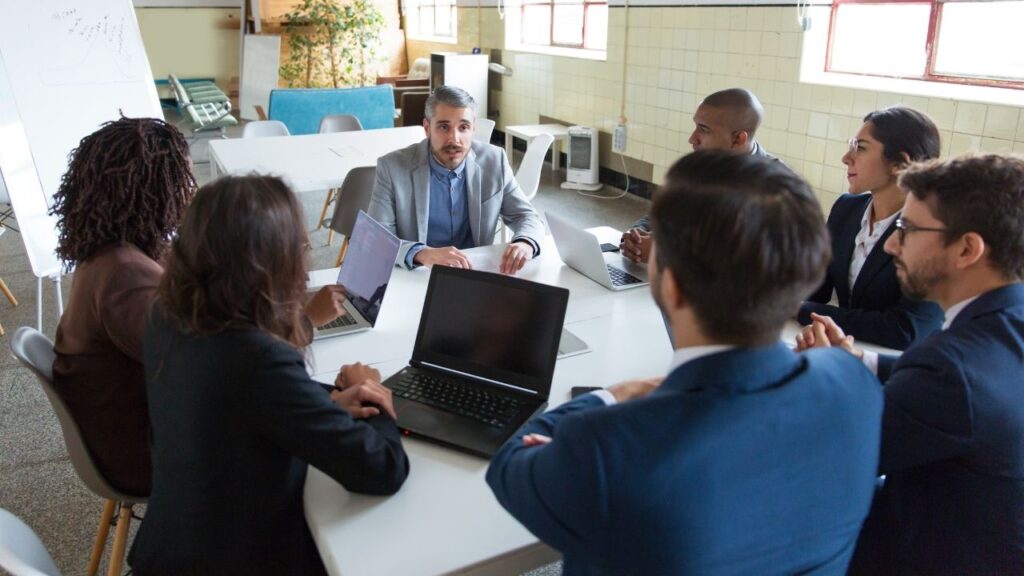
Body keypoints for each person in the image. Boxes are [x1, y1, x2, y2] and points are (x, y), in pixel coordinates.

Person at [487, 151, 883, 575]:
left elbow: (509, 468)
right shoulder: (853, 382)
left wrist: (611, 396)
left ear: (671, 286)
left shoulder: (606, 442)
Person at [129, 176, 409, 575]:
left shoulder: (169, 313)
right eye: (299, 245)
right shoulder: (258, 358)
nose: (305, 253)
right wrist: (374, 394)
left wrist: (324, 402)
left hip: (171, 547)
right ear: (267, 262)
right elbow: (382, 469)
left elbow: (242, 402)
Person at [797, 153, 1024, 575]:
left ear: (967, 249)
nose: (890, 244)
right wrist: (859, 360)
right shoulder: (1006, 319)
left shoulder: (951, 370)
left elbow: (833, 451)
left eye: (907, 228)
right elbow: (946, 385)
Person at [49, 116, 196, 496]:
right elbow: (205, 363)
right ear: (156, 190)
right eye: (182, 181)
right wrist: (302, 321)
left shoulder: (112, 250)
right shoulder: (125, 276)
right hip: (143, 456)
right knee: (291, 424)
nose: (189, 192)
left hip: (127, 427)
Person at [798, 106, 944, 349]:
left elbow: (905, 329)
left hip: (898, 367)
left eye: (860, 148)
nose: (846, 158)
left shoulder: (932, 229)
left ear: (900, 163)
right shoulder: (847, 209)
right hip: (845, 348)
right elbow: (816, 286)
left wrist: (802, 310)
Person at [369, 85, 544, 275]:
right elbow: (377, 238)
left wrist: (525, 242)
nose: (454, 138)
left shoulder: (495, 161)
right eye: (444, 127)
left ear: (473, 128)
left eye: (463, 127)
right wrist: (423, 254)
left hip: (475, 274)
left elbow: (527, 216)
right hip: (418, 274)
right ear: (427, 128)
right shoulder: (391, 167)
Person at [619, 88, 771, 263]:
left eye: (704, 129)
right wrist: (635, 237)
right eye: (696, 126)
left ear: (738, 139)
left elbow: (754, 259)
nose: (692, 138)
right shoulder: (700, 167)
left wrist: (669, 253)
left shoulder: (774, 188)